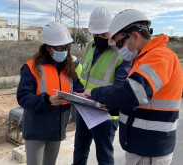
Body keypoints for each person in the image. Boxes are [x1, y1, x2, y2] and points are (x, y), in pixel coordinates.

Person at [83, 9, 183, 165]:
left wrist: (95, 93)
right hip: (143, 147)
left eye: (119, 43)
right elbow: (138, 104)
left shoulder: (160, 57)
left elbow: (133, 92)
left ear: (135, 36)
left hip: (150, 150)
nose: (117, 48)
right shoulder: (143, 58)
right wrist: (109, 106)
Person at [17, 21, 84, 165]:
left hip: (57, 127)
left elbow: (78, 88)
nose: (64, 50)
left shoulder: (69, 66)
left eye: (66, 46)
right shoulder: (32, 67)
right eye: (60, 47)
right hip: (37, 129)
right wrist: (47, 100)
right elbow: (23, 98)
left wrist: (84, 95)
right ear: (48, 48)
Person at [72, 6, 132, 165]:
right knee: (79, 150)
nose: (99, 38)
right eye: (95, 34)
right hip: (85, 109)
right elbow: (85, 74)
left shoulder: (122, 53)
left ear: (112, 31)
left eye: (103, 34)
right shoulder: (91, 46)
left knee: (104, 156)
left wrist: (93, 94)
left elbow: (120, 89)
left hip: (105, 115)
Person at [69, 55, 83, 123]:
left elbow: (78, 79)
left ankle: (74, 118)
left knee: (75, 104)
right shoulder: (77, 66)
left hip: (78, 88)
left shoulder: (79, 68)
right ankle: (73, 117)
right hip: (75, 87)